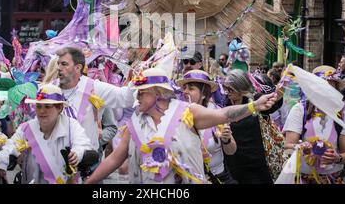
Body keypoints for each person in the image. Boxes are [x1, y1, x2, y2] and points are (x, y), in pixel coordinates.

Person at [85, 67, 277, 184]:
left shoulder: (187, 112)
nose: (137, 96)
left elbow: (224, 114)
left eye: (142, 92)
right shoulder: (134, 122)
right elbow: (114, 160)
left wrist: (254, 105)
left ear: (157, 93)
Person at [0, 84, 94, 184]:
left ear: (59, 108)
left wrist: (77, 153)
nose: (42, 111)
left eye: (47, 106)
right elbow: (10, 145)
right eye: (38, 106)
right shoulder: (27, 127)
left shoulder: (71, 125)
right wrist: (2, 164)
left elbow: (83, 143)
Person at [56, 47, 135, 153]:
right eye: (58, 64)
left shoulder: (95, 87)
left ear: (78, 67)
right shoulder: (51, 88)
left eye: (64, 64)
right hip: (57, 158)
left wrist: (138, 79)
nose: (59, 68)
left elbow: (125, 97)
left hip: (86, 159)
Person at [283, 69, 345, 184]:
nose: (326, 92)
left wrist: (337, 158)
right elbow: (287, 146)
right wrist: (302, 147)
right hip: (304, 178)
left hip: (334, 179)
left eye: (330, 88)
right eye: (321, 87)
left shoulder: (342, 114)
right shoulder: (300, 110)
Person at [223, 69, 284, 184]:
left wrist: (281, 90)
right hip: (232, 163)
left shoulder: (255, 100)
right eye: (226, 88)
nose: (227, 92)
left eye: (230, 89)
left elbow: (273, 103)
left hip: (256, 164)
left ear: (240, 88)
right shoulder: (223, 104)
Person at [177, 70, 238, 184]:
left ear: (204, 93)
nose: (185, 92)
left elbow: (231, 151)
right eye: (184, 88)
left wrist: (226, 140)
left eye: (191, 88)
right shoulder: (176, 114)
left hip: (217, 177)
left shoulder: (217, 113)